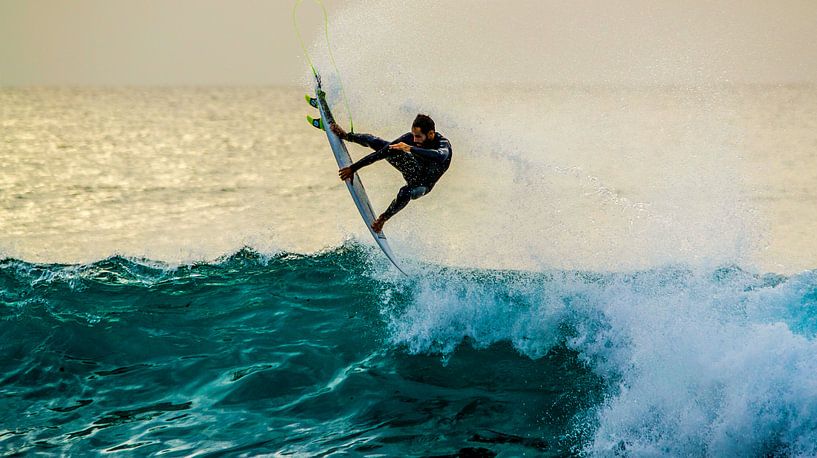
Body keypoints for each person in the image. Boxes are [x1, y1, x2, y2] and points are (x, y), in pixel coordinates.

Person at [332, 114, 452, 233]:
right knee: (376, 142)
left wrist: (410, 149)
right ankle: (346, 136)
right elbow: (382, 154)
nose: (414, 140)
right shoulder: (410, 138)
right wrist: (353, 168)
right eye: (414, 136)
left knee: (405, 192)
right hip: (411, 169)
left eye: (418, 136)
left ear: (431, 134)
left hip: (422, 185)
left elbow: (440, 156)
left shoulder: (443, 144)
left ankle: (383, 218)